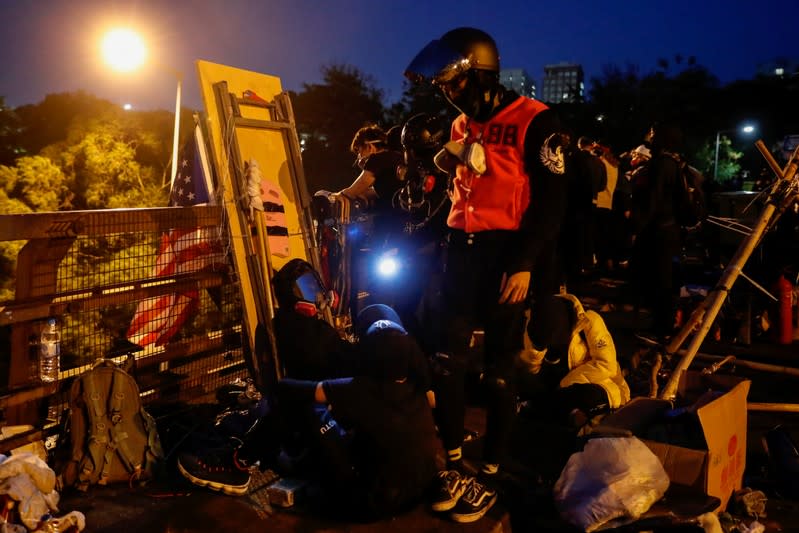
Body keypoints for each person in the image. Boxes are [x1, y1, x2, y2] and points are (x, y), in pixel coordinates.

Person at [405, 27, 569, 522]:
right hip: (462, 252)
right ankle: (453, 460)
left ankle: (492, 468)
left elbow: (551, 204)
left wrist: (524, 264)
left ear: (481, 75)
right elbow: (461, 193)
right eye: (443, 89)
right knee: (447, 361)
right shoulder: (460, 128)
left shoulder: (536, 120)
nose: (449, 97)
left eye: (454, 86)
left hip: (507, 254)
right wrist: (425, 231)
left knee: (500, 369)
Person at [630, 123, 685, 341]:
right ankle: (662, 324)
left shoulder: (661, 166)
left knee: (658, 279)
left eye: (654, 133)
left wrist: (638, 227)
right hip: (668, 229)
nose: (649, 136)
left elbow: (652, 200)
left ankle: (661, 329)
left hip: (658, 231)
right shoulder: (673, 164)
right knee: (663, 279)